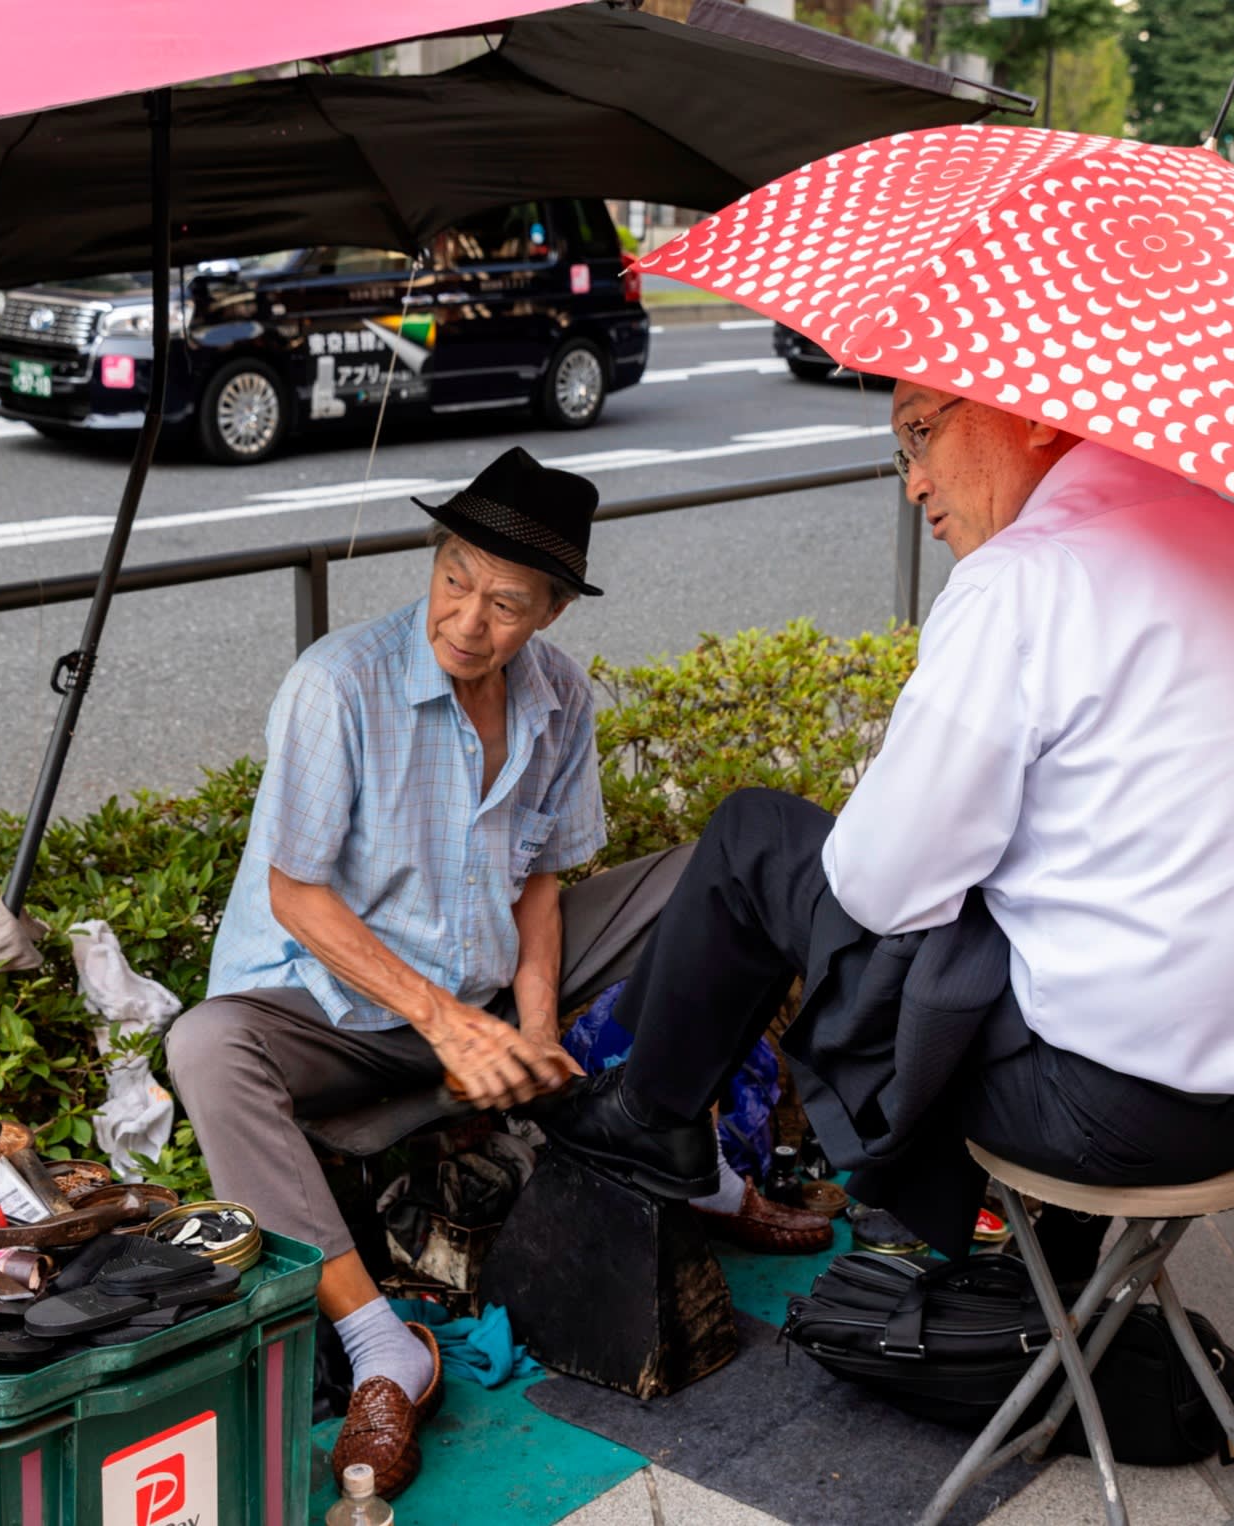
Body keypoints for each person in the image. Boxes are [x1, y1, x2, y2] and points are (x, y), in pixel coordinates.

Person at [541, 381, 1234, 1275]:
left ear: (1035, 416)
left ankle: (650, 1119)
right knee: (1013, 908)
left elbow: (880, 886)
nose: (914, 482)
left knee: (758, 835)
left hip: (1117, 1112)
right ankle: (1018, 1264)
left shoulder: (1026, 578)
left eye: (918, 433)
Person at [166, 447, 825, 1500]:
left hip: (485, 983)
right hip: (345, 1006)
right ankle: (386, 1346)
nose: (468, 619)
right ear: (437, 559)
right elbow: (297, 897)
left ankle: (684, 1150)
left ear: (553, 614)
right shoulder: (337, 685)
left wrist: (529, 1022)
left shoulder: (558, 694)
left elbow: (540, 881)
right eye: (455, 578)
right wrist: (448, 1025)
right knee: (205, 1042)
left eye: (507, 603)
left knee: (724, 868)